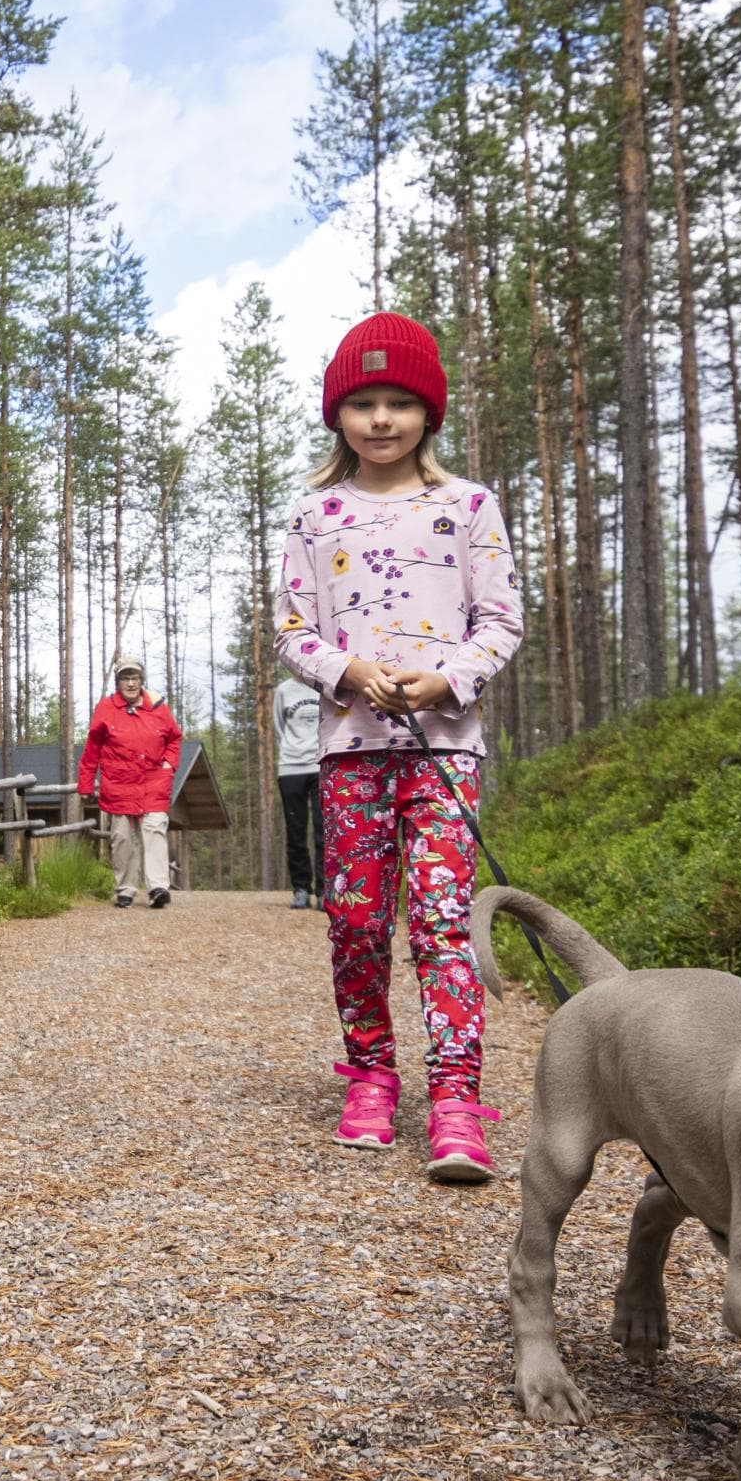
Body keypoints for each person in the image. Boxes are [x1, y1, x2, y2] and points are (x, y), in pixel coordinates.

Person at [274, 312, 525, 1183]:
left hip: (444, 752)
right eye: (364, 403)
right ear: (337, 415)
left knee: (442, 922)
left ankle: (457, 1097)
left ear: (430, 413)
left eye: (401, 403)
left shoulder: (468, 507)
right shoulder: (315, 516)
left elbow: (501, 621)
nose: (381, 420)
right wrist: (349, 671)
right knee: (355, 923)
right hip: (348, 753)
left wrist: (447, 680)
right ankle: (372, 1076)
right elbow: (292, 632)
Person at [81, 654, 180, 910]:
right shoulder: (105, 708)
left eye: (135, 677)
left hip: (153, 781)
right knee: (123, 837)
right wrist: (85, 783)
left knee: (155, 829)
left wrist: (169, 764)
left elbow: (174, 738)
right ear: (118, 682)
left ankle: (158, 887)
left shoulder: (157, 707)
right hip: (119, 782)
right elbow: (92, 748)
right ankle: (126, 888)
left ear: (141, 680)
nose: (131, 683)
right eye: (126, 678)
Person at [273, 675, 322, 907]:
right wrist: (293, 749)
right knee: (296, 830)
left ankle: (325, 890)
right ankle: (301, 888)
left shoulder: (325, 686)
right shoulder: (284, 690)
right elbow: (279, 728)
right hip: (291, 767)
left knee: (325, 830)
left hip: (321, 764)